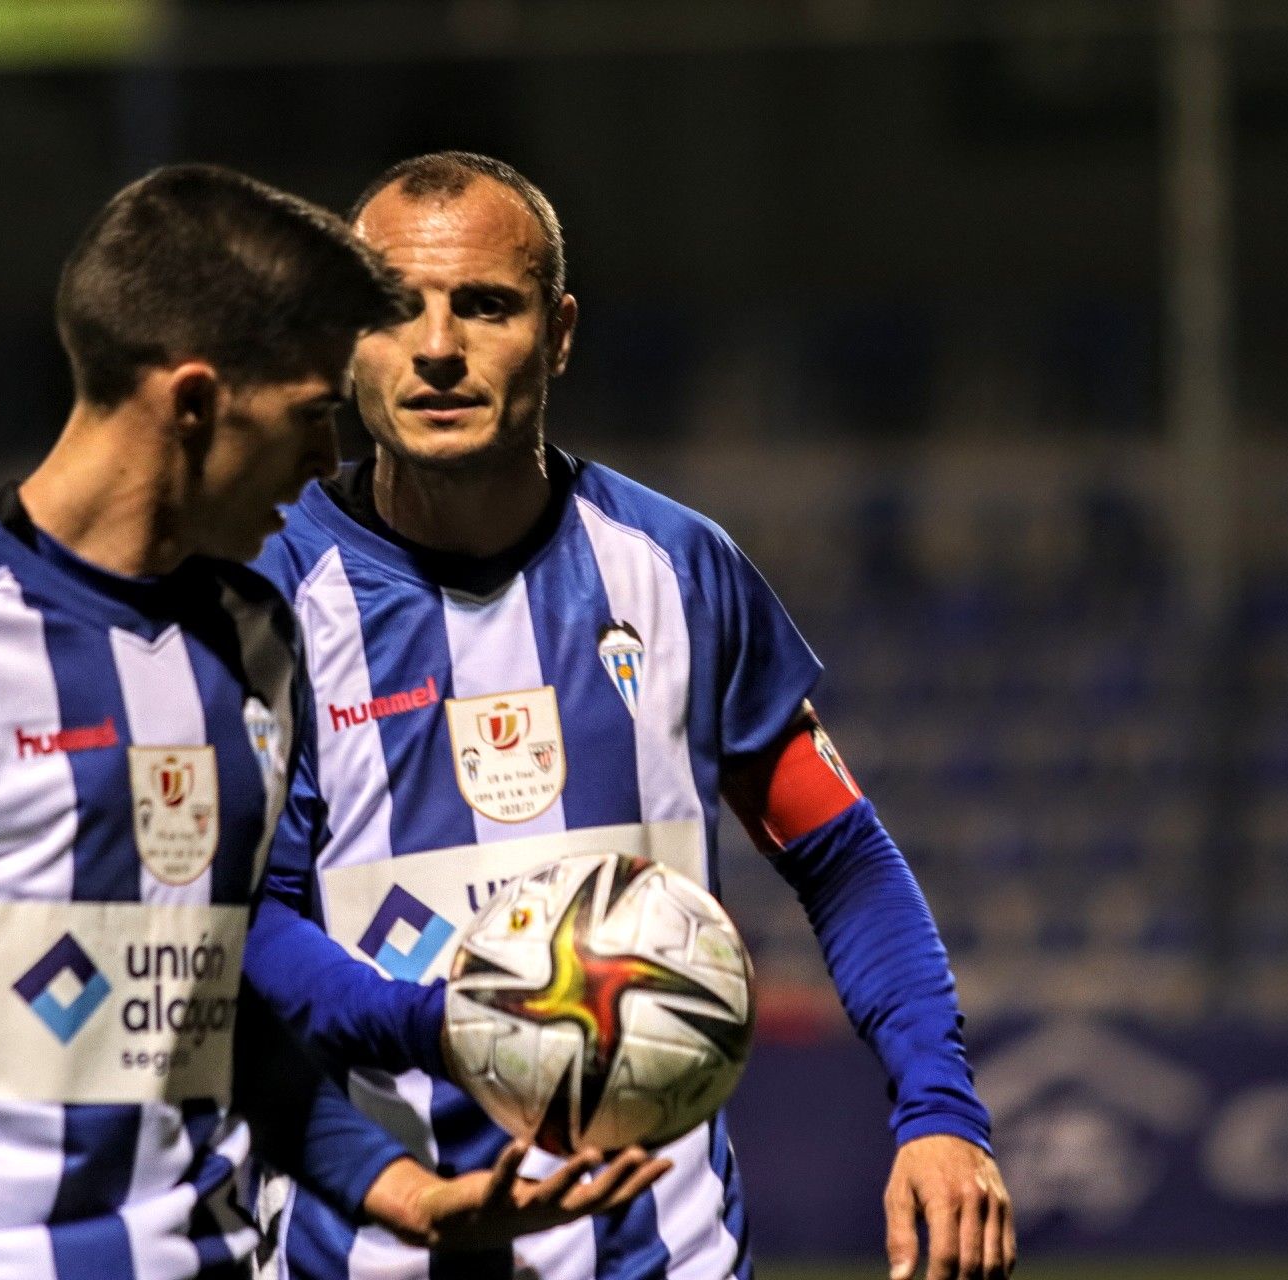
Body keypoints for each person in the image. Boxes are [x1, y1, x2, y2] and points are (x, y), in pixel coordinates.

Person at [0, 163, 668, 1280]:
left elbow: (209, 1003)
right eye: (310, 413)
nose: (331, 457)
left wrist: (405, 1191)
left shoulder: (257, 642)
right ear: (192, 403)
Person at [246, 152, 1016, 1280]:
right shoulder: (259, 606)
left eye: (486, 306)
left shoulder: (678, 573)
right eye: (393, 308)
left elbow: (842, 853)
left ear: (557, 334)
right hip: (362, 1255)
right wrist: (465, 1023)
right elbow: (242, 926)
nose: (439, 346)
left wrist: (940, 1107)